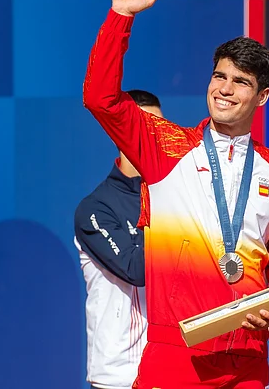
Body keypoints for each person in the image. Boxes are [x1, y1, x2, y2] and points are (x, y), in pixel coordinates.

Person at [82, 0, 269, 388]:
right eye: (219, 77)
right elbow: (100, 99)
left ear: (261, 97)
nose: (224, 90)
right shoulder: (164, 145)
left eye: (240, 82)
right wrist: (120, 17)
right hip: (177, 353)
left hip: (246, 356)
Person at [73, 89, 163, 389]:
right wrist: (167, 203)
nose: (157, 136)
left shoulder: (176, 193)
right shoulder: (94, 208)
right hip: (119, 377)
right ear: (121, 132)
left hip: (171, 369)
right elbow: (135, 269)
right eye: (147, 127)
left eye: (161, 128)